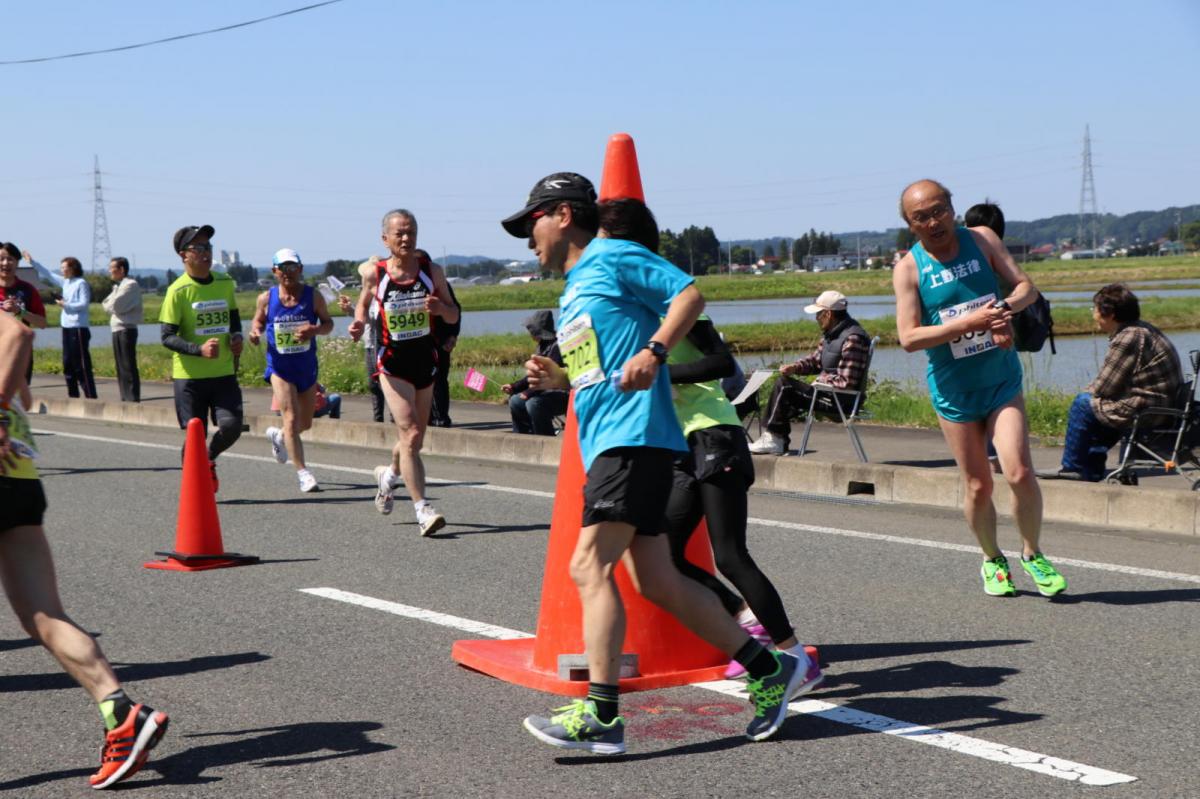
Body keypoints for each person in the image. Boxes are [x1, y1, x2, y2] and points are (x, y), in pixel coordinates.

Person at [502, 172, 813, 755]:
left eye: (531, 224)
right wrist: (561, 378)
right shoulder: (575, 288)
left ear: (563, 215)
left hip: (633, 437)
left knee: (588, 567)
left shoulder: (613, 255)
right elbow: (600, 371)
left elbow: (689, 296)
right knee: (656, 579)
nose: (528, 239)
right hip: (611, 440)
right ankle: (769, 670)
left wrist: (656, 349)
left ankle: (602, 715)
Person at [597, 196, 820, 683]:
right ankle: (745, 619)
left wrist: (658, 370)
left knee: (730, 554)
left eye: (600, 239)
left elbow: (721, 363)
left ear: (617, 241)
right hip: (681, 447)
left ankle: (796, 658)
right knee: (665, 556)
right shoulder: (624, 304)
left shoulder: (667, 298)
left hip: (715, 434)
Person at [0, 309, 168, 788]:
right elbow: (18, 347)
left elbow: (16, 331)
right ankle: (122, 713)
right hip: (17, 474)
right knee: (43, 615)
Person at [894, 179, 1066, 597]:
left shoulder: (983, 239)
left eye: (939, 210)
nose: (933, 222)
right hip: (954, 391)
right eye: (921, 217)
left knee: (1019, 471)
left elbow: (1026, 288)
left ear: (952, 208)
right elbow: (909, 337)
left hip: (1001, 380)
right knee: (977, 485)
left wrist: (1003, 310)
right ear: (910, 225)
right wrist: (967, 324)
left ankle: (1033, 553)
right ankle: (992, 559)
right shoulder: (909, 268)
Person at [349, 210, 458, 536]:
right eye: (399, 233)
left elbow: (453, 315)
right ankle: (423, 509)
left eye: (411, 232)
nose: (406, 238)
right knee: (409, 433)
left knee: (414, 439)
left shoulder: (432, 271)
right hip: (392, 364)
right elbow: (362, 304)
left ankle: (389, 476)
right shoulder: (376, 273)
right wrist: (358, 323)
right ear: (386, 239)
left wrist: (441, 309)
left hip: (425, 361)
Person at [1039, 284, 1183, 481]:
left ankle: (1071, 466)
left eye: (1095, 309)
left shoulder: (1128, 338)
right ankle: (1091, 470)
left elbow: (1104, 387)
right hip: (1161, 405)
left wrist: (1088, 393)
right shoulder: (1141, 329)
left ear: (1110, 314)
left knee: (1082, 404)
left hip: (1149, 410)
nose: (1093, 315)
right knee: (1098, 405)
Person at [159, 225, 244, 492]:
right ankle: (193, 490)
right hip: (190, 378)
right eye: (198, 248)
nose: (206, 253)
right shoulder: (178, 291)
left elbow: (233, 318)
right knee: (195, 435)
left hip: (223, 373)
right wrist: (199, 350)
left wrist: (237, 336)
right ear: (183, 255)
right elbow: (167, 337)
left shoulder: (224, 282)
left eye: (208, 247)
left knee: (232, 427)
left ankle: (208, 458)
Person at [249, 248, 334, 493]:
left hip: (306, 367)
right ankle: (303, 473)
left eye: (293, 267)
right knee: (291, 417)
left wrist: (314, 330)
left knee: (305, 423)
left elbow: (328, 323)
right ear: (275, 271)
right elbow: (258, 320)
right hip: (280, 368)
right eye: (283, 268)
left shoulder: (313, 296)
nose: (288, 273)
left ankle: (280, 436)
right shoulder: (266, 298)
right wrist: (255, 332)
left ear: (300, 269)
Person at [747, 290, 871, 455]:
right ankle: (776, 439)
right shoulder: (832, 335)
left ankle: (774, 439)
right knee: (785, 384)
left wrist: (820, 381)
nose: (816, 318)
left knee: (784, 386)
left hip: (841, 402)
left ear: (828, 314)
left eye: (818, 314)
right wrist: (794, 367)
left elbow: (846, 383)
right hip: (828, 394)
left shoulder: (853, 338)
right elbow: (815, 361)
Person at [501, 310, 568, 436]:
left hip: (562, 393)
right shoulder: (542, 345)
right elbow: (533, 375)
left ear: (538, 332)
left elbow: (547, 377)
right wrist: (514, 386)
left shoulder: (557, 347)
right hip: (544, 391)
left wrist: (529, 392)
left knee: (534, 404)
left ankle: (544, 438)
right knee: (515, 401)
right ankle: (523, 437)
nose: (529, 333)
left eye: (531, 330)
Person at [41, 256, 97, 399]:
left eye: (64, 268)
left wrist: (65, 304)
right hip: (66, 326)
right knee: (68, 364)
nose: (62, 270)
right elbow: (48, 274)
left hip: (78, 327)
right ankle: (73, 396)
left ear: (72, 268)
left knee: (81, 365)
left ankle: (91, 397)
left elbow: (84, 304)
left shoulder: (81, 283)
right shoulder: (66, 282)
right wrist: (32, 262)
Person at [340, 257, 386, 422]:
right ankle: (378, 418)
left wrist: (352, 310)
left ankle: (395, 419)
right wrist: (350, 309)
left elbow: (373, 317)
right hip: (369, 344)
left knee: (388, 383)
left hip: (383, 344)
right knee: (373, 384)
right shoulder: (367, 291)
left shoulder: (384, 290)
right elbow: (364, 317)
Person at [0, 243, 46, 408]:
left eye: (10, 259)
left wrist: (20, 311)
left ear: (17, 262)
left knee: (18, 403)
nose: (5, 263)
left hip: (18, 353)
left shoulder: (27, 290)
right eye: (1, 259)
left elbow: (42, 323)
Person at [423, 249, 461, 428]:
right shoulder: (408, 284)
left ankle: (441, 419)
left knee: (439, 381)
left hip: (440, 341)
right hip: (419, 344)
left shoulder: (440, 283)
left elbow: (455, 311)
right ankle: (427, 418)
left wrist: (452, 336)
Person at [101, 257, 143, 402]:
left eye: (112, 268)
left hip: (126, 328)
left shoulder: (130, 285)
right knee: (120, 365)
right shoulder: (118, 287)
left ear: (122, 269)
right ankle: (124, 396)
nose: (109, 271)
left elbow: (116, 306)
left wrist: (112, 305)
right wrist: (112, 304)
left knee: (128, 364)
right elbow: (105, 304)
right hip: (117, 329)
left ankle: (132, 397)